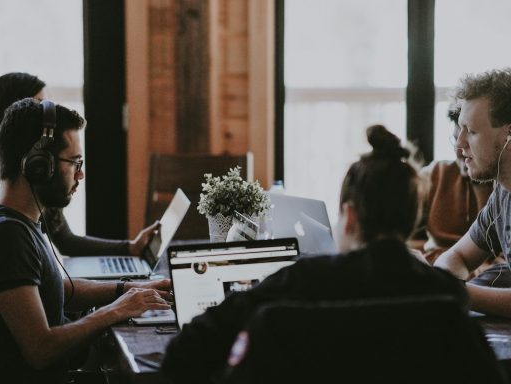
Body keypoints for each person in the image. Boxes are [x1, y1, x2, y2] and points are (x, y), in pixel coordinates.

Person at [161, 125, 468, 383]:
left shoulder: (297, 283)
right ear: (412, 218)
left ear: (348, 217)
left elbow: (183, 352)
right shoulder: (446, 294)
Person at [0, 98, 171, 383]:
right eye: (75, 162)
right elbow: (40, 349)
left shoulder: (24, 223)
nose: (80, 174)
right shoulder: (9, 236)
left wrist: (130, 288)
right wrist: (117, 310)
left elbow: (57, 288)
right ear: (39, 165)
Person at [0, 72, 158, 257]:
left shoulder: (44, 173)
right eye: (38, 106)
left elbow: (67, 241)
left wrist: (130, 248)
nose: (47, 117)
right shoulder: (20, 193)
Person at [435, 67, 511, 317]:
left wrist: (453, 291)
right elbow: (457, 256)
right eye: (460, 129)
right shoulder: (503, 193)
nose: (459, 145)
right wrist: (445, 281)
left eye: (473, 132)